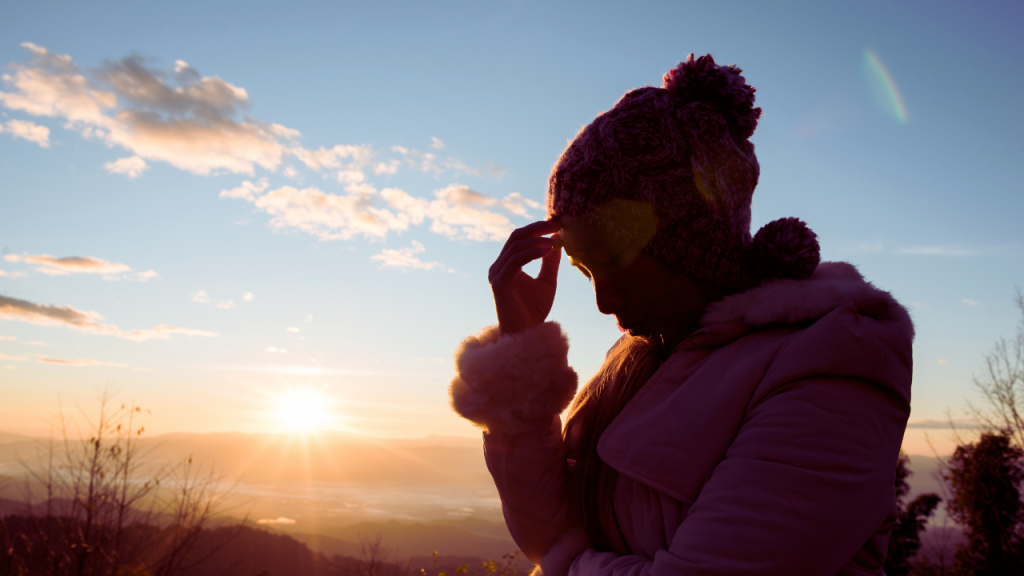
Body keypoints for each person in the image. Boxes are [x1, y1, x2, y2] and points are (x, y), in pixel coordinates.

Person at [448, 54, 913, 575]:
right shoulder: (636, 360)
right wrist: (522, 349)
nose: (603, 301)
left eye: (613, 260)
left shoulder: (830, 364)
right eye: (584, 270)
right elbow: (548, 534)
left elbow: (566, 553)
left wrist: (571, 564)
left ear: (691, 244)